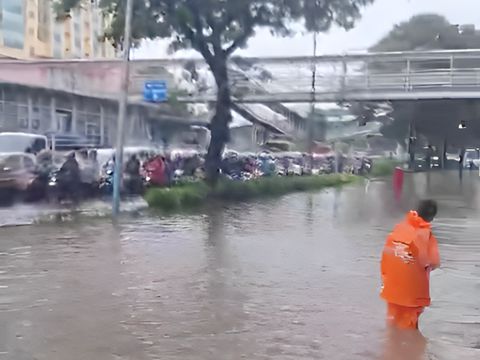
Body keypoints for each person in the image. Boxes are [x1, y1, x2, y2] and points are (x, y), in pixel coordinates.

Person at [380, 200, 440, 330]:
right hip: (412, 294)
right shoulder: (426, 235)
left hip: (392, 287)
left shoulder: (399, 228)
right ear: (432, 218)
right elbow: (434, 262)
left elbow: (386, 254)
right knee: (409, 330)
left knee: (392, 324)